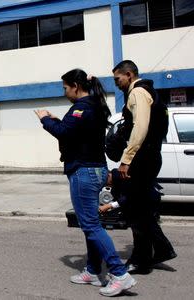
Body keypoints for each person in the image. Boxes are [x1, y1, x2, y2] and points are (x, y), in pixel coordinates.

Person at [35, 69, 136, 297]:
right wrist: (57, 121)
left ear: (75, 86)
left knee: (91, 226)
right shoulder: (96, 105)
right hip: (96, 169)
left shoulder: (81, 107)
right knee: (91, 225)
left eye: (65, 87)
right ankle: (92, 270)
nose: (64, 92)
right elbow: (75, 132)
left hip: (84, 172)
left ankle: (120, 274)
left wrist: (44, 119)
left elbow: (64, 133)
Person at [112, 60, 176, 273]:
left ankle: (144, 257)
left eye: (118, 79)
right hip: (150, 156)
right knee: (141, 208)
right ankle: (156, 251)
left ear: (129, 75)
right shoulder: (150, 92)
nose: (117, 84)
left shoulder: (137, 93)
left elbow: (139, 128)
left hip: (141, 158)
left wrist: (126, 159)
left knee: (135, 209)